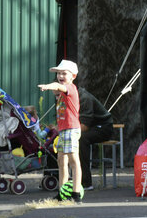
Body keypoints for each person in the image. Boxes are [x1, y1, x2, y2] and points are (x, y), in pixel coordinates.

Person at [38, 60, 83, 202]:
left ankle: (75, 193)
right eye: (58, 73)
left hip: (71, 129)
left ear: (73, 76)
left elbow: (58, 86)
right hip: (63, 130)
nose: (60, 76)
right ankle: (62, 192)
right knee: (61, 161)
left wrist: (47, 86)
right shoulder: (61, 94)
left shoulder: (70, 88)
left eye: (64, 73)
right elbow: (57, 88)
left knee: (74, 161)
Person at [77, 87, 114, 191]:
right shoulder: (62, 98)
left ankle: (86, 183)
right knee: (55, 136)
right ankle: (55, 177)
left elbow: (84, 126)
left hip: (103, 127)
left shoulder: (84, 98)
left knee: (81, 139)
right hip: (89, 127)